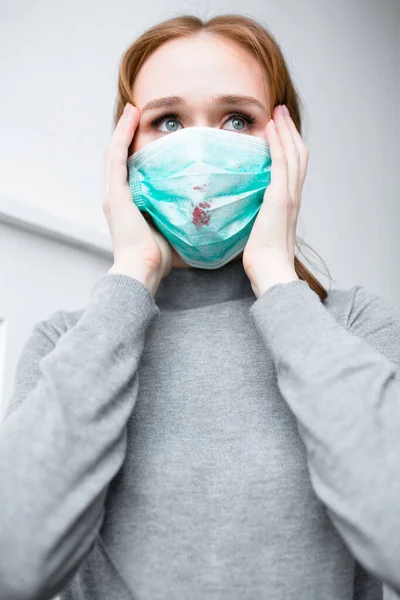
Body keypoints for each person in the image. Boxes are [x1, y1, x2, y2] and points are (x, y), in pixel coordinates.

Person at [0, 13, 399, 600]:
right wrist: (131, 277)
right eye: (166, 121)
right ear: (125, 153)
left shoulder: (354, 325)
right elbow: (15, 563)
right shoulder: (67, 342)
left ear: (286, 146)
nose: (200, 152)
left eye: (237, 118)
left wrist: (276, 279)